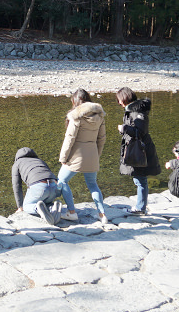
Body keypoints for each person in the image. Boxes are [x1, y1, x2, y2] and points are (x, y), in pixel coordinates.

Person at [57, 88, 108, 224]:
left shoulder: (76, 116)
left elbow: (70, 139)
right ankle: (102, 214)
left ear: (76, 101)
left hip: (76, 155)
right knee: (92, 184)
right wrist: (97, 155)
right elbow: (102, 138)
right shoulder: (100, 116)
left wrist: (63, 158)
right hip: (92, 154)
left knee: (62, 181)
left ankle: (72, 212)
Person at [117, 86, 161, 214]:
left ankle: (140, 208)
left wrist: (124, 129)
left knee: (140, 179)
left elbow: (140, 132)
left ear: (124, 98)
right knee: (139, 178)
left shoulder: (136, 112)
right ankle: (140, 206)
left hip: (140, 150)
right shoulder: (134, 110)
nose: (118, 103)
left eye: (119, 100)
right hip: (139, 148)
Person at [12, 147, 77, 225]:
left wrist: (20, 206)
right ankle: (52, 208)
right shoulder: (40, 161)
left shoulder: (17, 163)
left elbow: (16, 186)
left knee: (26, 206)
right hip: (54, 186)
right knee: (45, 202)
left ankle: (37, 209)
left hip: (40, 187)